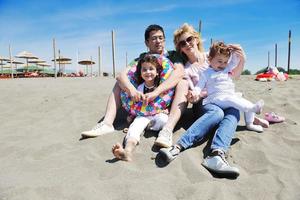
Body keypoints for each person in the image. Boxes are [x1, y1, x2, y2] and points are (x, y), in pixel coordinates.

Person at [159, 23, 266, 177]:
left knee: (233, 110)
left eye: (189, 39)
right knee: (217, 113)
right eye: (182, 43)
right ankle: (178, 146)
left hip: (223, 97)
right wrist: (194, 95)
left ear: (196, 39)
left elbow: (233, 75)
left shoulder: (215, 55)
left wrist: (242, 59)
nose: (187, 44)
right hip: (204, 103)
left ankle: (216, 154)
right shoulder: (186, 68)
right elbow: (192, 92)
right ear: (180, 48)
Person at [81, 24, 185, 148]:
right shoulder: (141, 58)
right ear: (147, 43)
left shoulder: (173, 55)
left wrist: (156, 92)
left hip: (165, 100)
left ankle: (167, 131)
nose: (158, 41)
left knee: (184, 82)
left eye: (161, 38)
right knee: (120, 83)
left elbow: (179, 73)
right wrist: (132, 90)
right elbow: (121, 76)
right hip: (142, 100)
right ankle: (107, 123)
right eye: (154, 38)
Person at [191, 41, 265, 132]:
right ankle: (252, 108)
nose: (223, 64)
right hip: (216, 98)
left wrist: (234, 51)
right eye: (219, 61)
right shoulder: (206, 73)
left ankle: (250, 123)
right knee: (233, 100)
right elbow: (199, 86)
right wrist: (195, 92)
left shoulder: (227, 68)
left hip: (230, 95)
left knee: (243, 101)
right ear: (210, 59)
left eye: (225, 61)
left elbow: (234, 60)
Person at [112, 54, 169, 161]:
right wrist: (132, 116)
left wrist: (167, 109)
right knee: (135, 128)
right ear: (141, 73)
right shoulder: (139, 88)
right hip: (142, 115)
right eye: (144, 70)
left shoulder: (161, 87)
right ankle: (127, 151)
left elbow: (168, 99)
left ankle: (147, 127)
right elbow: (135, 106)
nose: (148, 72)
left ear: (157, 72)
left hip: (157, 114)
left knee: (164, 120)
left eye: (151, 69)